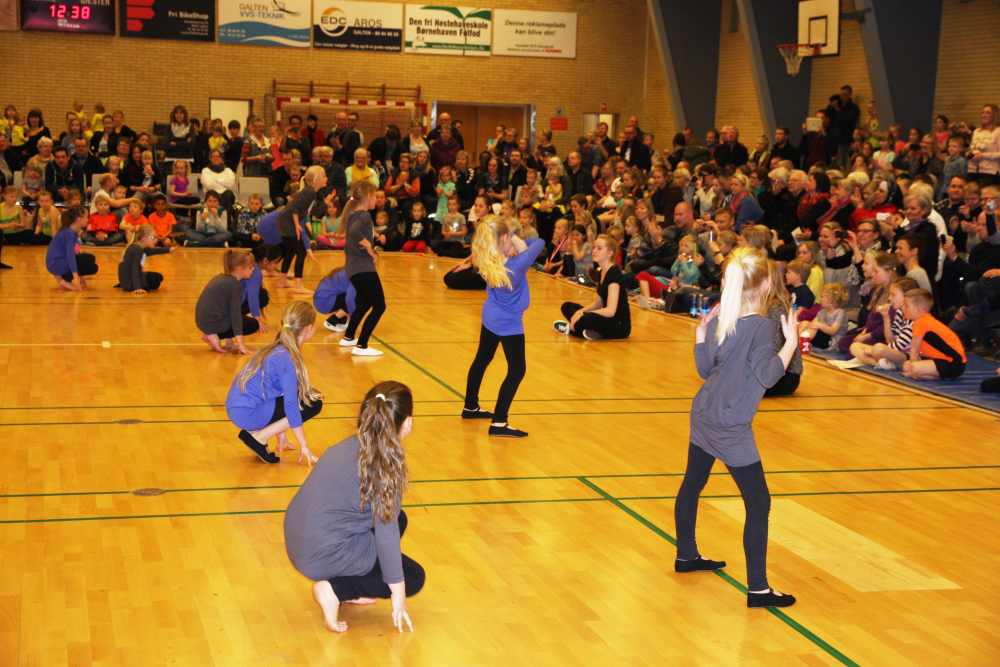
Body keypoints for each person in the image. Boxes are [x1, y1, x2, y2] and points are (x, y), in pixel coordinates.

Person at [674, 246, 799, 609]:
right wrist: (790, 343)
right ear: (765, 285)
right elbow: (769, 376)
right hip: (729, 426)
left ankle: (686, 555)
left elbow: (704, 369)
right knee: (759, 503)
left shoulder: (720, 319)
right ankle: (758, 589)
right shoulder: (760, 325)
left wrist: (700, 336)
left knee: (693, 484)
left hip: (704, 414)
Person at [285, 381, 423, 634]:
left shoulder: (351, 444)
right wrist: (398, 592)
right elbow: (386, 536)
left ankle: (352, 585)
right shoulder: (384, 465)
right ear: (407, 423)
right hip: (321, 554)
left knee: (398, 518)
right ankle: (336, 590)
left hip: (300, 541)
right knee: (413, 576)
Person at [462, 216, 545, 438]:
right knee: (517, 370)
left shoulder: (488, 259)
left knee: (482, 359)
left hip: (490, 314)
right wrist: (513, 237)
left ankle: (471, 406)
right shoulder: (515, 265)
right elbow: (539, 243)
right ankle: (499, 422)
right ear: (504, 238)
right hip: (509, 321)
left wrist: (506, 239)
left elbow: (525, 248)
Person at [225, 300, 323, 465]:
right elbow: (290, 405)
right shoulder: (287, 358)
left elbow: (279, 392)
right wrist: (304, 446)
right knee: (312, 402)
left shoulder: (278, 347)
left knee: (301, 395)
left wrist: (280, 433)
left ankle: (254, 432)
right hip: (248, 413)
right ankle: (260, 437)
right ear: (309, 329)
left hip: (239, 409)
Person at [554, 234, 631, 340]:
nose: (594, 251)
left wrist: (583, 314)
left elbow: (610, 311)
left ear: (610, 253)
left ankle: (573, 330)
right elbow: (598, 304)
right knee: (567, 307)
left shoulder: (614, 274)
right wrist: (579, 312)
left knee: (587, 317)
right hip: (605, 318)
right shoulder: (601, 272)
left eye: (599, 248)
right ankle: (585, 330)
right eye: (594, 247)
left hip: (618, 325)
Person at [339, 180, 385, 356]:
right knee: (379, 306)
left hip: (353, 267)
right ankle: (362, 345)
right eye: (375, 196)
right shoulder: (364, 215)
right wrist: (368, 246)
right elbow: (354, 232)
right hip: (363, 267)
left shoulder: (353, 214)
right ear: (368, 196)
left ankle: (349, 337)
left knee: (365, 301)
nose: (377, 200)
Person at [195, 250, 259, 354]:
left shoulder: (222, 277)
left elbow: (227, 309)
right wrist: (241, 345)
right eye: (251, 267)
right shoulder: (234, 285)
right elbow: (235, 316)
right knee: (253, 324)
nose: (253, 269)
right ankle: (214, 335)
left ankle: (212, 335)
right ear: (240, 269)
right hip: (212, 323)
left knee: (241, 317)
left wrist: (230, 340)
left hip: (204, 321)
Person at [276, 165, 326, 295]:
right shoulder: (310, 192)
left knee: (291, 250)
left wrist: (327, 202)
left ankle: (282, 281)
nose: (326, 178)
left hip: (283, 221)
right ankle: (298, 286)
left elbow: (315, 211)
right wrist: (297, 224)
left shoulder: (310, 192)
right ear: (316, 180)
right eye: (324, 176)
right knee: (301, 252)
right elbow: (295, 207)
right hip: (287, 222)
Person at [903, 288, 967, 380]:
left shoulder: (921, 322)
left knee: (914, 367)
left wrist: (912, 371)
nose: (903, 308)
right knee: (906, 365)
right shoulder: (922, 320)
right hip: (942, 360)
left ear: (918, 310)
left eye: (906, 306)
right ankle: (936, 376)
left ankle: (940, 377)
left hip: (954, 364)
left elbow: (915, 351)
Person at [45, 206, 97, 290]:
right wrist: (76, 277)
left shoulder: (74, 232)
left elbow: (77, 253)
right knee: (91, 258)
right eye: (87, 217)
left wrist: (81, 276)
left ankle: (62, 279)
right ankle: (65, 281)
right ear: (79, 219)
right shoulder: (68, 232)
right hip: (56, 264)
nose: (88, 220)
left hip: (61, 262)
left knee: (94, 267)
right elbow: (71, 256)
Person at [117, 224, 179, 294]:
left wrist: (171, 250)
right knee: (157, 278)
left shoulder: (139, 248)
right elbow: (135, 269)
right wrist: (138, 288)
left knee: (157, 283)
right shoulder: (137, 249)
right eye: (153, 238)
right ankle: (138, 286)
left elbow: (156, 250)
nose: (155, 240)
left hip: (127, 282)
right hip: (129, 284)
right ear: (144, 239)